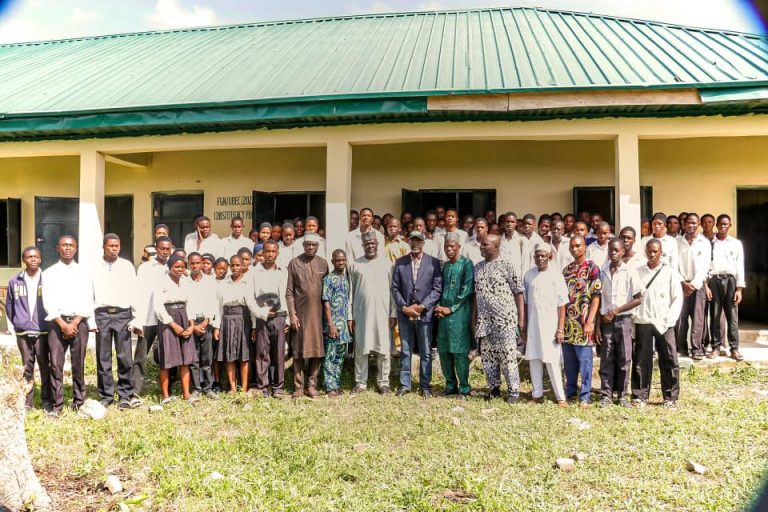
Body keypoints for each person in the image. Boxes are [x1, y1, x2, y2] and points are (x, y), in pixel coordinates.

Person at [42, 235, 92, 416]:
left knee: (78, 364)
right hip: (57, 323)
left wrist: (75, 322)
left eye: (71, 245)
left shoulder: (84, 272)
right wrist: (63, 324)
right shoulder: (49, 273)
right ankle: (57, 405)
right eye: (64, 245)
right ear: (58, 248)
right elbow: (48, 301)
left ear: (76, 249)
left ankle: (79, 402)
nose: (68, 248)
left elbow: (88, 299)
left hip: (80, 322)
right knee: (56, 364)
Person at [92, 234, 142, 409]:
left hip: (122, 315)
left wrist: (136, 318)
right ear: (103, 246)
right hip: (102, 315)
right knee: (103, 357)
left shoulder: (126, 266)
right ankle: (106, 396)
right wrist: (91, 319)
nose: (114, 249)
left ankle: (125, 395)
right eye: (111, 246)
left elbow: (134, 291)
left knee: (124, 356)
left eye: (117, 246)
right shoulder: (94, 266)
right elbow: (90, 293)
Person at [474, 234, 525, 404]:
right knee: (488, 357)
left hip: (505, 320)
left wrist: (521, 320)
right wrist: (474, 320)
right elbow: (475, 296)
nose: (481, 247)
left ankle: (514, 391)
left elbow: (519, 292)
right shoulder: (477, 267)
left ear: (496, 247)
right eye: (481, 244)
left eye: (485, 244)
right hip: (485, 320)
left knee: (508, 356)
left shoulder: (507, 265)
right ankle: (494, 388)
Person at [632, 239, 683, 408]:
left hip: (664, 322)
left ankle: (670, 397)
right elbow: (633, 296)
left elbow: (677, 298)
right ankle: (640, 396)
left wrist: (670, 320)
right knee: (641, 359)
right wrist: (635, 317)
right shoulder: (638, 272)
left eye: (655, 251)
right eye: (649, 251)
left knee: (669, 358)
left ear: (661, 252)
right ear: (645, 252)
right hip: (644, 320)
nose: (652, 254)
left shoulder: (670, 272)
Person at [392, 231, 443, 398]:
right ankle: (405, 384)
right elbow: (395, 288)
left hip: (425, 315)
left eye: (418, 241)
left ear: (423, 243)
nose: (415, 244)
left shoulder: (433, 263)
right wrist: (404, 307)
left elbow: (437, 289)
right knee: (406, 350)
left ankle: (425, 385)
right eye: (413, 240)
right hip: (405, 314)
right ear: (408, 242)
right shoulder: (400, 263)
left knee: (426, 351)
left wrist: (422, 306)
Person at [597, 239, 644, 408]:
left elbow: (638, 299)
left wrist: (616, 311)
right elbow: (599, 299)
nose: (613, 253)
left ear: (623, 252)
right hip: (606, 322)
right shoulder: (603, 271)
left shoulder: (629, 271)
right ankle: (606, 395)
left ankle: (622, 396)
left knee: (624, 359)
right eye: (611, 250)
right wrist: (597, 326)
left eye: (616, 250)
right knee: (606, 359)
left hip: (623, 320)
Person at [348, 234, 396, 395]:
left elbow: (393, 291)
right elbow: (350, 292)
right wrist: (350, 316)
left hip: (383, 314)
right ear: (363, 245)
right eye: (367, 243)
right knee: (361, 348)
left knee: (384, 349)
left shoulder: (388, 264)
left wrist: (393, 313)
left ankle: (383, 382)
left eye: (373, 243)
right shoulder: (355, 265)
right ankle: (360, 382)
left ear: (378, 244)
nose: (370, 246)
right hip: (361, 314)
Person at [522, 243, 568, 407]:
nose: (540, 258)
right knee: (534, 359)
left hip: (551, 326)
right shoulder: (529, 275)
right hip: (533, 326)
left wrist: (560, 329)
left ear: (549, 256)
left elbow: (562, 305)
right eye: (537, 256)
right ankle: (537, 395)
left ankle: (560, 397)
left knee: (552, 361)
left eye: (543, 255)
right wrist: (524, 326)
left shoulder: (556, 276)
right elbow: (525, 303)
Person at [6, 246, 51, 411]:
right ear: (24, 259)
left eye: (36, 257)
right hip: (23, 332)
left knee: (45, 366)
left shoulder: (47, 280)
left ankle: (46, 400)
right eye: (29, 257)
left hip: (42, 330)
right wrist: (18, 322)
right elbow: (10, 305)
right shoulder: (15, 281)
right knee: (27, 367)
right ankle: (27, 402)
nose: (33, 259)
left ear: (40, 259)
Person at [286, 234, 329, 398]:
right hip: (300, 316)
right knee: (298, 351)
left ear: (317, 246)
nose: (311, 247)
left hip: (318, 316)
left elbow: (327, 292)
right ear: (303, 246)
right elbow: (289, 292)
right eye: (308, 244)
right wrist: (292, 314)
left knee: (317, 351)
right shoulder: (294, 263)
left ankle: (311, 385)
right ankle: (298, 387)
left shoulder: (323, 264)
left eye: (313, 245)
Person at [562, 235, 601, 408]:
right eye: (572, 246)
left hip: (584, 323)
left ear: (585, 247)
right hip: (568, 325)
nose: (575, 248)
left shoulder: (592, 268)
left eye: (578, 245)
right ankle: (570, 392)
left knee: (585, 363)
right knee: (569, 363)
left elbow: (596, 296)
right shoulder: (566, 270)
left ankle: (585, 396)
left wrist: (590, 321)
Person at [434, 233, 474, 399]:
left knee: (459, 352)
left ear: (459, 246)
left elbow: (467, 289)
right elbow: (439, 288)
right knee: (444, 351)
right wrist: (438, 307)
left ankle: (464, 388)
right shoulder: (445, 266)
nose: (449, 249)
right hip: (443, 314)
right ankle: (450, 385)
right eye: (446, 246)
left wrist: (451, 309)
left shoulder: (466, 264)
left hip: (460, 315)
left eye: (452, 246)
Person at [248, 239, 289, 398]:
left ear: (277, 253)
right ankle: (263, 386)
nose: (270, 254)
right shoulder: (253, 272)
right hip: (262, 318)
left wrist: (288, 318)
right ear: (262, 253)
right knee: (262, 353)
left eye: (273, 251)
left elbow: (287, 295)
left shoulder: (283, 271)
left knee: (279, 354)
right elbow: (249, 298)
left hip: (279, 317)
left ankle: (278, 387)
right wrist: (261, 313)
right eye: (267, 251)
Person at [153, 254, 197, 404]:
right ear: (169, 267)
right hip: (168, 320)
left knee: (185, 359)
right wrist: (173, 324)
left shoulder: (186, 282)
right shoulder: (161, 282)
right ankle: (165, 395)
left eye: (182, 267)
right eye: (176, 267)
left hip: (184, 317)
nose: (179, 269)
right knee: (167, 359)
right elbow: (158, 306)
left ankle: (186, 394)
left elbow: (190, 305)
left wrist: (191, 325)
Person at [133, 236, 173, 395]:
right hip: (148, 317)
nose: (165, 252)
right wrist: (138, 319)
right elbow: (138, 293)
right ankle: (135, 390)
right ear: (156, 248)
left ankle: (168, 389)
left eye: (168, 249)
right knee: (141, 356)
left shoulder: (173, 266)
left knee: (169, 354)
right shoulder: (145, 268)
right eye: (162, 248)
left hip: (168, 319)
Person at [213, 255, 255, 394]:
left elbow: (252, 306)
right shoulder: (223, 284)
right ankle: (232, 387)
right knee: (229, 354)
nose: (235, 268)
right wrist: (217, 327)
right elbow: (218, 307)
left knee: (244, 355)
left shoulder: (248, 283)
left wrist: (254, 327)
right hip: (227, 319)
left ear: (243, 266)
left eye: (238, 265)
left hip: (243, 319)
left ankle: (244, 388)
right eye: (233, 265)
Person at [707, 214, 745, 361]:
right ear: (716, 225)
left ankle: (734, 348)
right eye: (720, 224)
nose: (723, 227)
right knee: (715, 315)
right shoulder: (710, 243)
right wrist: (707, 285)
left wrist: (739, 289)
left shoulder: (736, 243)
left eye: (726, 224)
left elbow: (740, 266)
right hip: (714, 280)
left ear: (730, 226)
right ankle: (716, 347)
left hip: (731, 280)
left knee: (732, 316)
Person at [676, 213, 711, 360]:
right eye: (688, 223)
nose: (691, 225)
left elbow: (705, 267)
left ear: (698, 224)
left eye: (694, 223)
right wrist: (683, 283)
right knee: (681, 318)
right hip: (681, 284)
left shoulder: (704, 242)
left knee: (698, 319)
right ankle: (681, 348)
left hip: (698, 285)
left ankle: (697, 349)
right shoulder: (677, 242)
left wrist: (694, 285)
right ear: (684, 224)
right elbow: (673, 265)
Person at [186, 252, 218, 399]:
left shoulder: (210, 281)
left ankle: (208, 387)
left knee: (207, 357)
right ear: (188, 264)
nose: (195, 266)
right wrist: (193, 325)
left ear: (201, 263)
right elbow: (185, 305)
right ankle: (196, 388)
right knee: (194, 358)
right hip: (191, 324)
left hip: (206, 323)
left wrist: (205, 322)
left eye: (197, 263)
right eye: (192, 263)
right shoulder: (185, 282)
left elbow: (213, 303)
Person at [322, 250, 352, 397]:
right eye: (338, 260)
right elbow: (326, 302)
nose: (341, 263)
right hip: (332, 325)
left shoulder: (347, 278)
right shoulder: (328, 279)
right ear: (333, 262)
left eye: (343, 260)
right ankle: (329, 386)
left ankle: (336, 384)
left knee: (340, 357)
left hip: (343, 325)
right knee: (330, 356)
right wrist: (331, 325)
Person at [500, 212, 523, 276]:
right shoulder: (499, 239)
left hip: (516, 275)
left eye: (512, 222)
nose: (510, 224)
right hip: (502, 276)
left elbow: (525, 261)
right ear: (503, 223)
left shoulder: (522, 240)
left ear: (516, 223)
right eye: (507, 222)